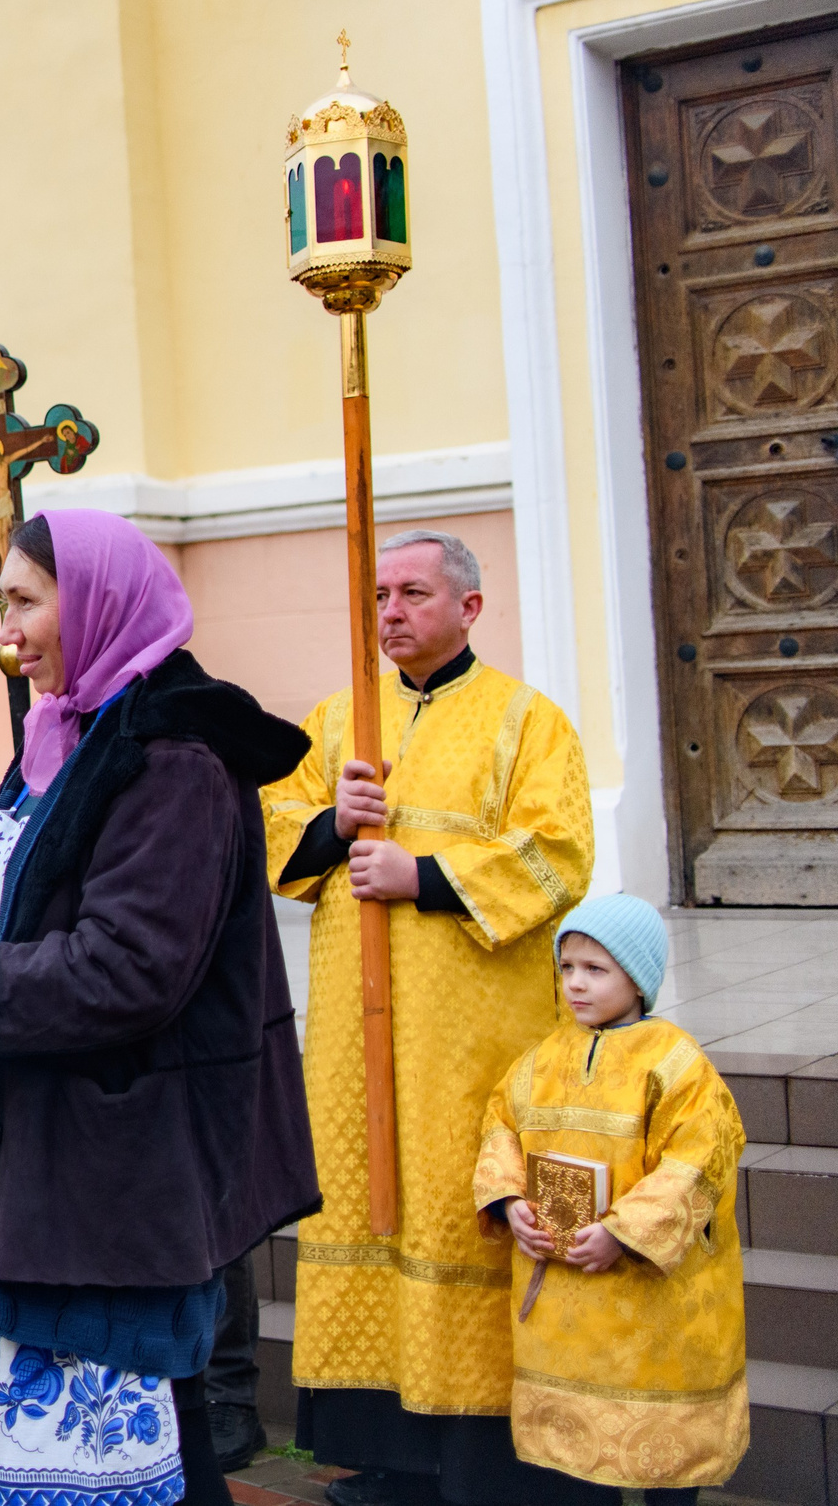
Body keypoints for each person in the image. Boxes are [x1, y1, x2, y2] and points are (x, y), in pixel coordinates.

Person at [0, 509, 319, 1506]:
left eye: (25, 602)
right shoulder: (70, 732)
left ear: (97, 603)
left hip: (121, 1171)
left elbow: (126, 968)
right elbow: (27, 910)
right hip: (56, 1165)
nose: (7, 633)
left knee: (126, 1470)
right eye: (1, 603)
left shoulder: (171, 758)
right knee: (149, 1465)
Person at [262, 529, 592, 1506]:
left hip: (470, 1038)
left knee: (459, 1212)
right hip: (355, 1038)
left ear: (468, 607)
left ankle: (479, 1464)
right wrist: (334, 825)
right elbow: (272, 829)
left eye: (412, 593)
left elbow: (558, 854)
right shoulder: (338, 720)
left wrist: (424, 875)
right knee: (366, 1206)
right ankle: (388, 1458)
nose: (391, 612)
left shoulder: (527, 721)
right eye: (378, 596)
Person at [470, 894, 744, 1504]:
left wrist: (624, 1232)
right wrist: (510, 1203)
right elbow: (500, 1127)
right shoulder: (541, 1058)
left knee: (665, 1452)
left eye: (596, 969)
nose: (575, 983)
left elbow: (701, 1156)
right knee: (576, 1459)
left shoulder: (677, 1063)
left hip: (649, 1302)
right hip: (566, 1299)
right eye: (567, 967)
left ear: (638, 978)